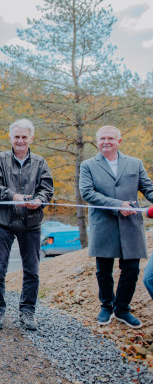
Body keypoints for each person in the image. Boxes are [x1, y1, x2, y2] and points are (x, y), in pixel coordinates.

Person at [80, 125, 153, 329]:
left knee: (131, 270)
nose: (106, 142)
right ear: (97, 141)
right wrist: (117, 205)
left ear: (119, 141)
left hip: (131, 224)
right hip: (103, 223)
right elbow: (87, 193)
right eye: (102, 138)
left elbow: (148, 188)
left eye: (111, 138)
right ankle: (106, 306)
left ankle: (122, 308)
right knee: (103, 270)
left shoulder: (135, 164)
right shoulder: (87, 165)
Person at [0, 118, 54, 331]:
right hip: (2, 222)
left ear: (31, 138)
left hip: (30, 223)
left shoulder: (40, 162)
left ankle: (27, 311)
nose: (20, 140)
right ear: (10, 138)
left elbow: (47, 189)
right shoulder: (0, 159)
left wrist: (40, 201)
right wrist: (12, 196)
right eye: (17, 136)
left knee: (32, 270)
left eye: (24, 136)